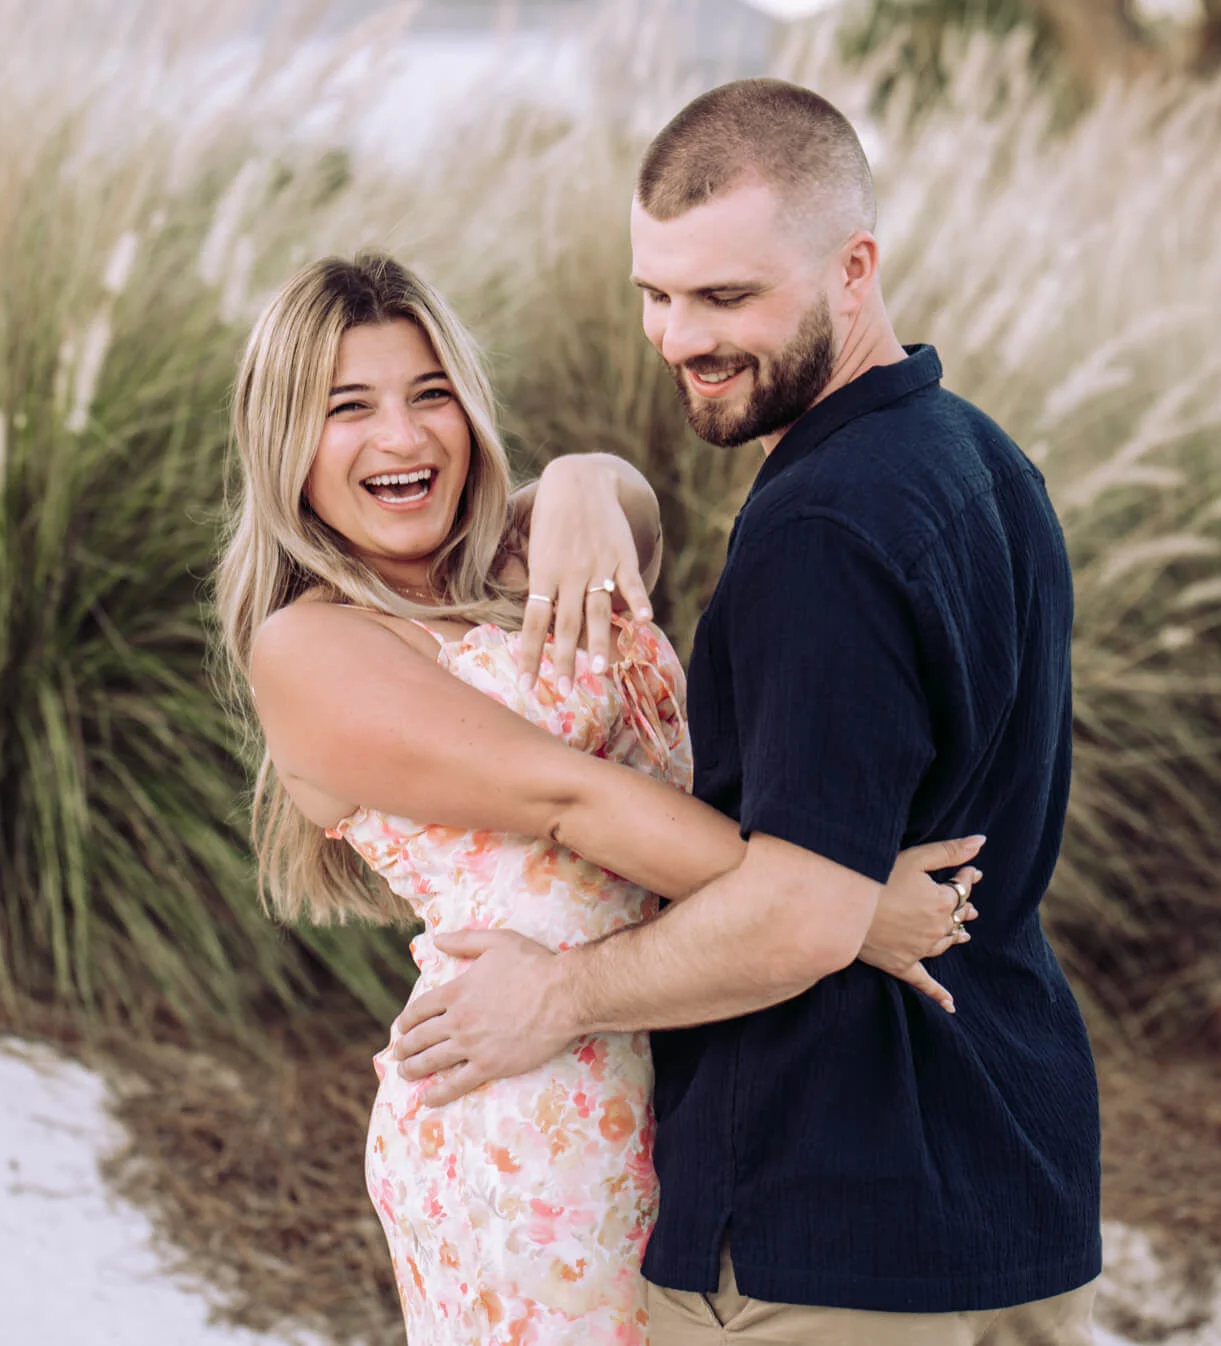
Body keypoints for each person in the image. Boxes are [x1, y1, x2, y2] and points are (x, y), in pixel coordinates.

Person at [390, 80, 1103, 1345]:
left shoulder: (823, 527)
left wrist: (554, 997)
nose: (678, 338)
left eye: (726, 297)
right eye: (655, 294)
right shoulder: (981, 457)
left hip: (822, 1225)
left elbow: (800, 915)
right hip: (990, 1187)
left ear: (853, 268)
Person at [212, 251, 986, 1344]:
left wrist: (579, 474)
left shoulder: (512, 560)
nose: (403, 437)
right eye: (349, 408)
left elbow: (635, 512)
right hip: (530, 1112)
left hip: (676, 1046)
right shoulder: (311, 646)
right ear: (283, 439)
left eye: (431, 393)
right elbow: (573, 796)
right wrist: (844, 907)